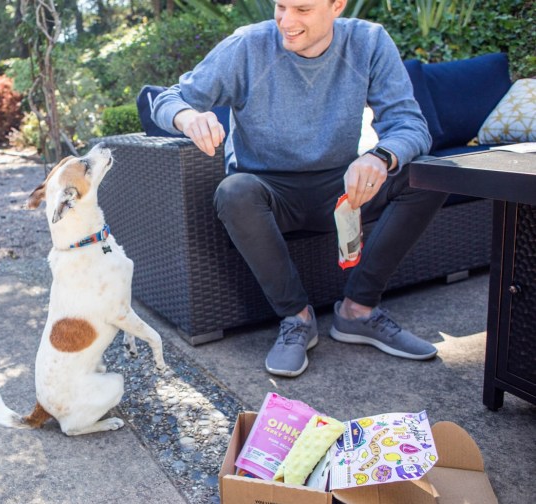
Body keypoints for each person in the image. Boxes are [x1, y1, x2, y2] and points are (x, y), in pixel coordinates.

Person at [151, 0, 447, 377]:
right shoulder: (247, 45)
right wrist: (187, 116)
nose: (286, 22)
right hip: (270, 191)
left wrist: (380, 157)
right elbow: (167, 99)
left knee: (431, 174)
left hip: (340, 187)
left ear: (337, 5)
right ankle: (297, 319)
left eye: (302, 9)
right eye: (281, 6)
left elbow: (410, 124)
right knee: (234, 191)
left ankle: (358, 310)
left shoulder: (369, 41)